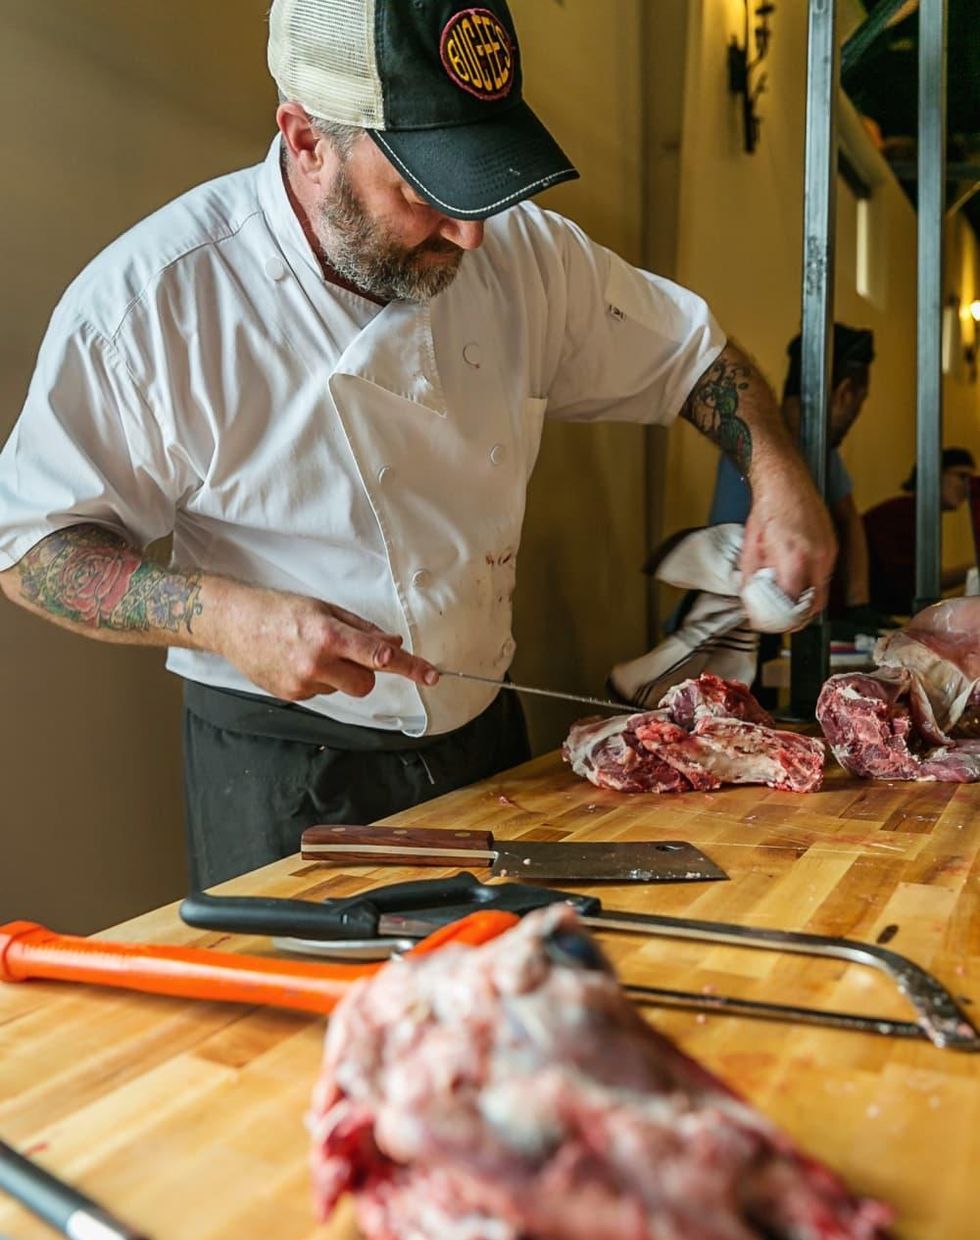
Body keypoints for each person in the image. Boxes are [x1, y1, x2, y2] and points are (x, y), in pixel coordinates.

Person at [0, 0, 836, 889]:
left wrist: (780, 479)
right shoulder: (155, 304)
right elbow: (29, 548)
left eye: (482, 182)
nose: (470, 230)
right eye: (423, 189)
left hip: (487, 745)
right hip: (286, 776)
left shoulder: (523, 255)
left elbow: (693, 357)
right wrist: (220, 616)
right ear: (306, 140)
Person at [707, 323, 879, 629]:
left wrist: (859, 606)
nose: (857, 416)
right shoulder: (755, 450)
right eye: (859, 402)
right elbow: (728, 556)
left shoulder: (822, 452)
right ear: (844, 394)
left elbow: (849, 519)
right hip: (725, 628)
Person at [863, 447, 977, 616]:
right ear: (935, 474)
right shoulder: (901, 512)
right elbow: (911, 581)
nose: (968, 488)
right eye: (962, 477)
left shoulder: (918, 514)